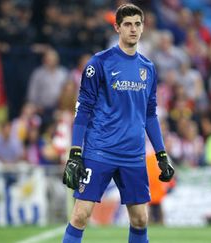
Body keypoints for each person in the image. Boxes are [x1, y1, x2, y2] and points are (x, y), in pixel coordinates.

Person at [61, 4, 175, 243]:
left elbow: (150, 115)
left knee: (141, 219)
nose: (133, 29)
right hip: (99, 151)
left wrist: (161, 154)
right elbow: (82, 110)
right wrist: (75, 151)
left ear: (143, 28)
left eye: (137, 24)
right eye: (127, 24)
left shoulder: (148, 68)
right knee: (81, 215)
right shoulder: (99, 63)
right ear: (117, 27)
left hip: (132, 155)